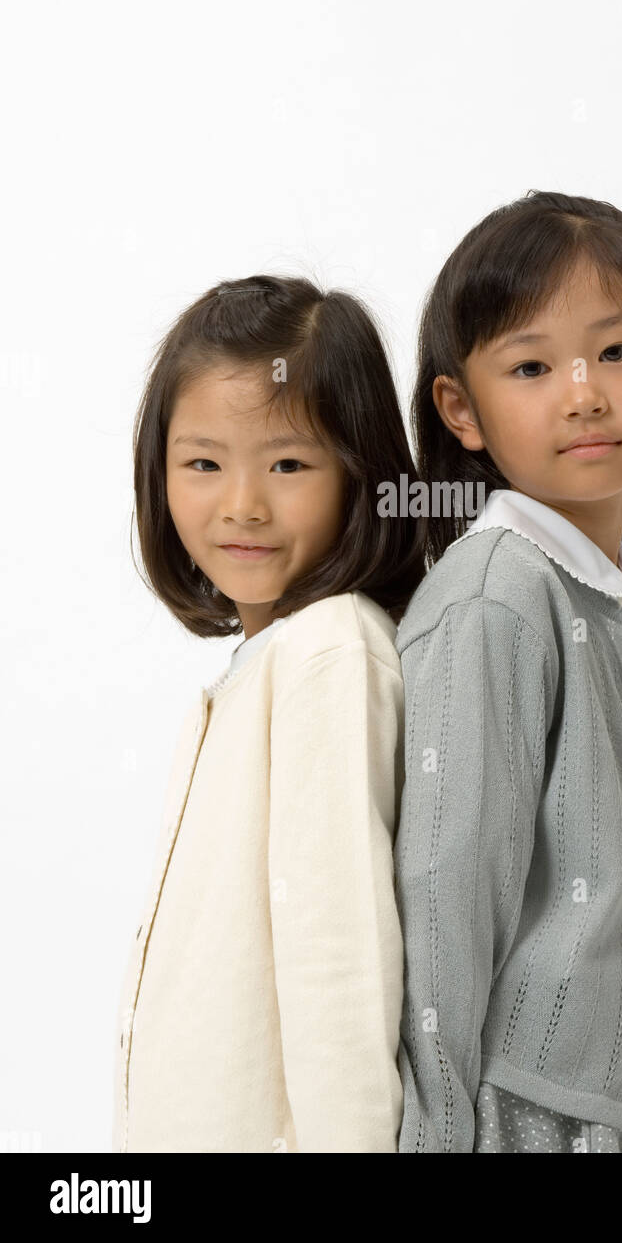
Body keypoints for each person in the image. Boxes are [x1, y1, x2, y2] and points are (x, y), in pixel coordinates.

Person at [392, 191, 622, 1153]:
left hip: (613, 1107)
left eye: (617, 353)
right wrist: (438, 1136)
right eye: (532, 365)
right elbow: (446, 892)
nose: (581, 392)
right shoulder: (499, 599)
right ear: (459, 408)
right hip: (527, 1114)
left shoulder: (619, 601)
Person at [112, 274, 425, 1152]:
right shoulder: (259, 668)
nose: (242, 505)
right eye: (204, 463)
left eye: (288, 464)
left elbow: (342, 964)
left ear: (359, 475)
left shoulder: (329, 651)